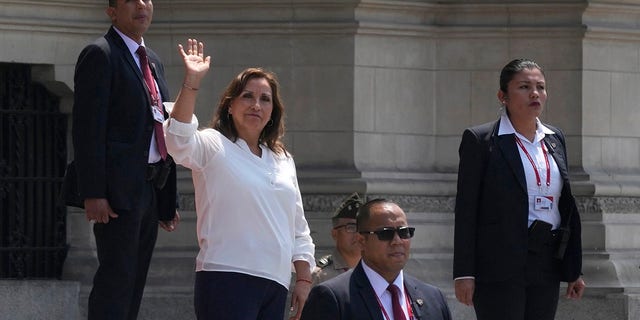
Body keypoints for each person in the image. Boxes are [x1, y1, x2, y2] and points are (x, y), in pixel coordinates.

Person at [164, 39, 315, 320]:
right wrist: (192, 83)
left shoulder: (283, 159)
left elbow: (298, 227)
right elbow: (177, 140)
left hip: (276, 283)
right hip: (225, 277)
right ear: (230, 105)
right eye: (247, 96)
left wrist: (304, 280)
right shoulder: (212, 144)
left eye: (265, 99)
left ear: (272, 112)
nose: (256, 105)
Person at [67, 0, 180, 319]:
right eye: (131, 0)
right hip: (116, 194)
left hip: (149, 189)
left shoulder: (154, 61)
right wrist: (94, 192)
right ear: (112, 11)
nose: (142, 5)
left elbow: (162, 125)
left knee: (135, 282)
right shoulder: (100, 54)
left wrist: (166, 200)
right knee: (115, 282)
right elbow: (88, 129)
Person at [453, 58, 586, 320]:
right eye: (524, 87)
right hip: (499, 263)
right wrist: (464, 272)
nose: (535, 93)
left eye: (541, 87)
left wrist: (573, 268)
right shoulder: (481, 140)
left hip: (546, 259)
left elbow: (566, 206)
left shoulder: (555, 138)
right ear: (503, 96)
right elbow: (466, 209)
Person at [301, 198, 452, 320]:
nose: (397, 241)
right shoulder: (332, 297)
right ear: (362, 241)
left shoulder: (433, 298)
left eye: (404, 232)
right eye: (385, 234)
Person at [312, 192, 363, 284]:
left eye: (362, 228)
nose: (358, 234)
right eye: (351, 227)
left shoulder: (377, 272)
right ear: (335, 234)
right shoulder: (320, 276)